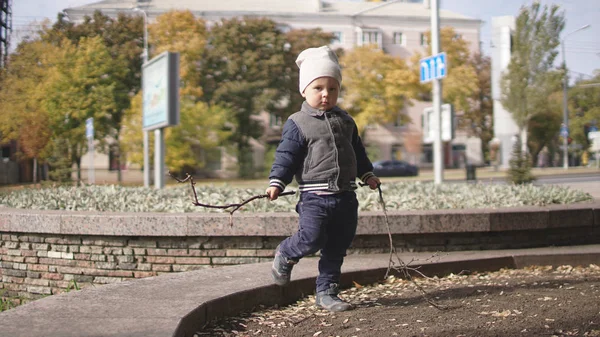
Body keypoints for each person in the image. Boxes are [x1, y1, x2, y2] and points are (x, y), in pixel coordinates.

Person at [265, 45, 380, 312]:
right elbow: (286, 155)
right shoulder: (298, 122)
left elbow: (357, 152)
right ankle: (286, 253)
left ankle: (327, 292)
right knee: (311, 238)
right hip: (315, 197)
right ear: (304, 90)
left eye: (333, 88)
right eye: (318, 88)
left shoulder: (347, 121)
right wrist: (276, 182)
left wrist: (368, 174)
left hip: (346, 196)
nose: (326, 94)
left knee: (337, 247)